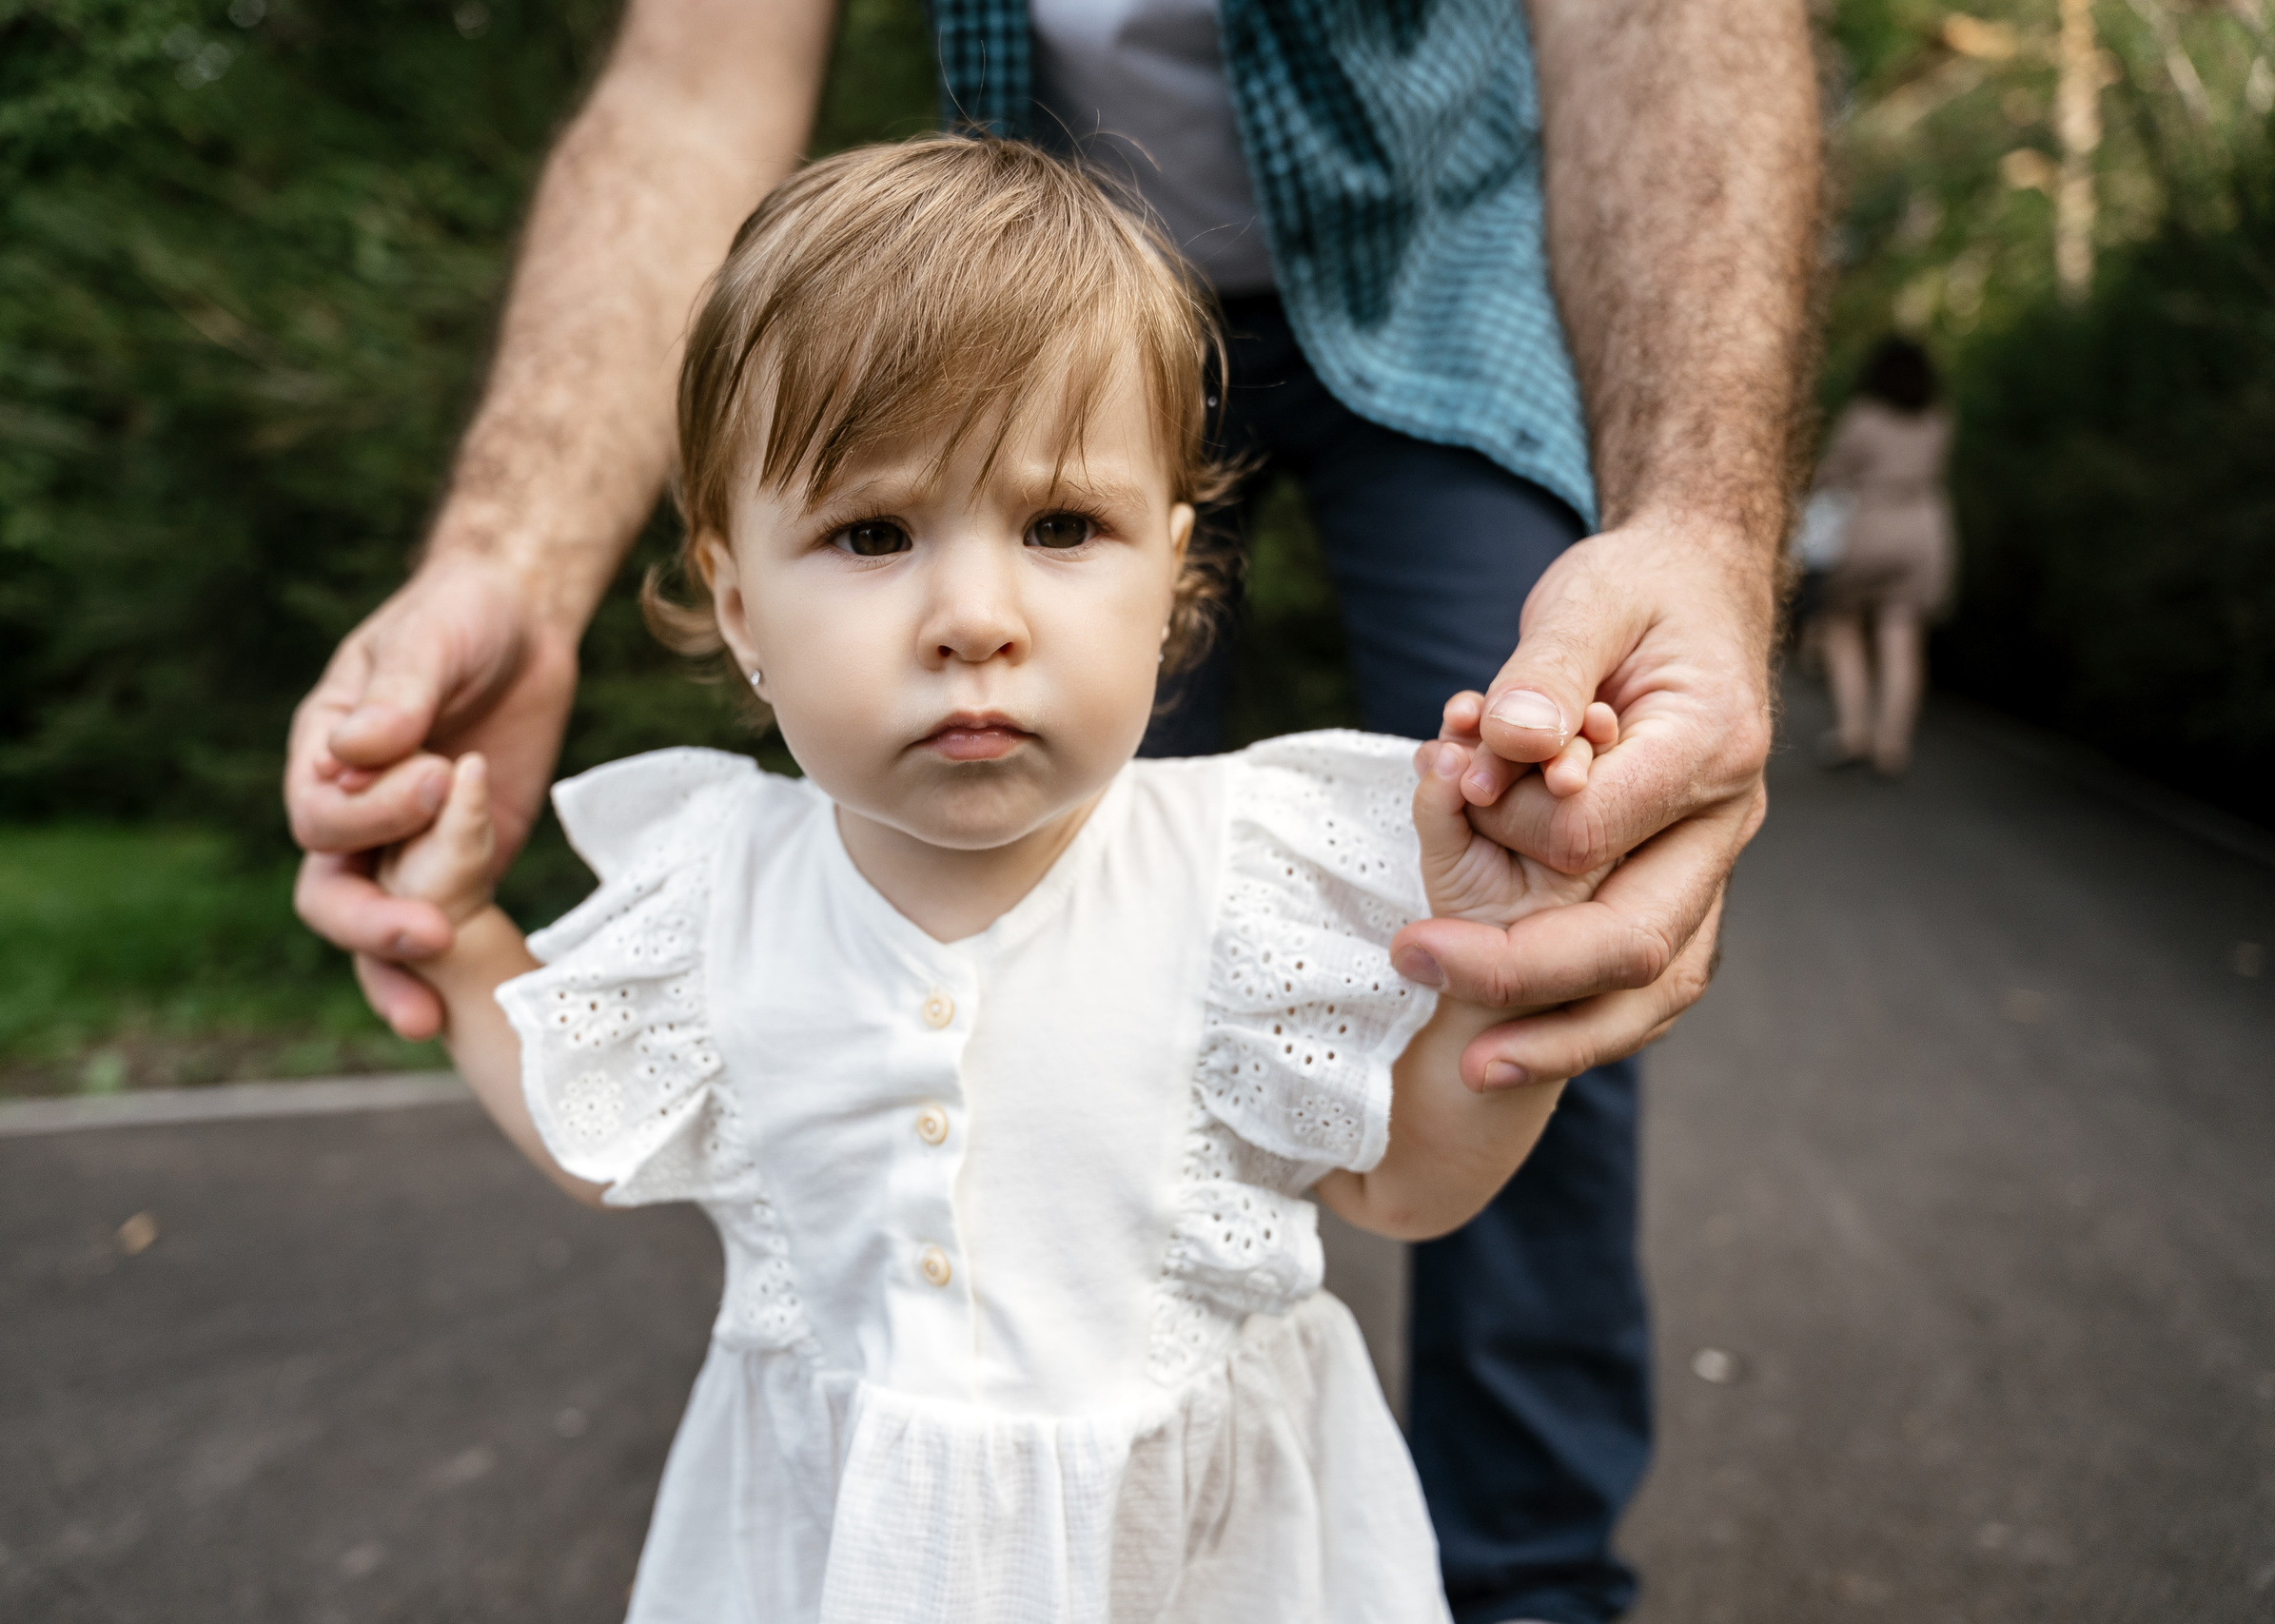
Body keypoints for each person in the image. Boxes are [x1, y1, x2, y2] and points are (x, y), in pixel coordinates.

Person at [285, 3, 1818, 1616]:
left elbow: (1403, 1185)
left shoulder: (1248, 877)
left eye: (1063, 526)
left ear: (1175, 578)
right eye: (875, 535)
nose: (974, 615)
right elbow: (597, 1125)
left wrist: (1502, 995)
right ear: (736, 605)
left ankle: (1539, 1580)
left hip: (1199, 1563)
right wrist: (457, 941)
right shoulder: (719, 883)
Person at [1808, 338, 1953, 777]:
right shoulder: (1937, 419)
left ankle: (1854, 732)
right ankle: (1892, 744)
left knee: (1842, 624)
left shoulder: (1863, 417)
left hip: (1868, 524)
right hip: (1924, 529)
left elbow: (1830, 474)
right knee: (1901, 632)